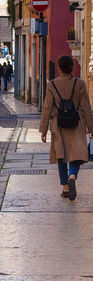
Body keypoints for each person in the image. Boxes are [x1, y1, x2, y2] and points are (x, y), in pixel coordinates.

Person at [39, 55, 93, 200]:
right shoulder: (80, 83)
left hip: (58, 125)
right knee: (76, 155)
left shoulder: (52, 85)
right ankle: (73, 176)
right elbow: (87, 107)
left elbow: (47, 108)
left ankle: (65, 188)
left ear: (59, 68)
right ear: (72, 68)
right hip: (77, 123)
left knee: (61, 156)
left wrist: (43, 130)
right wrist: (91, 128)